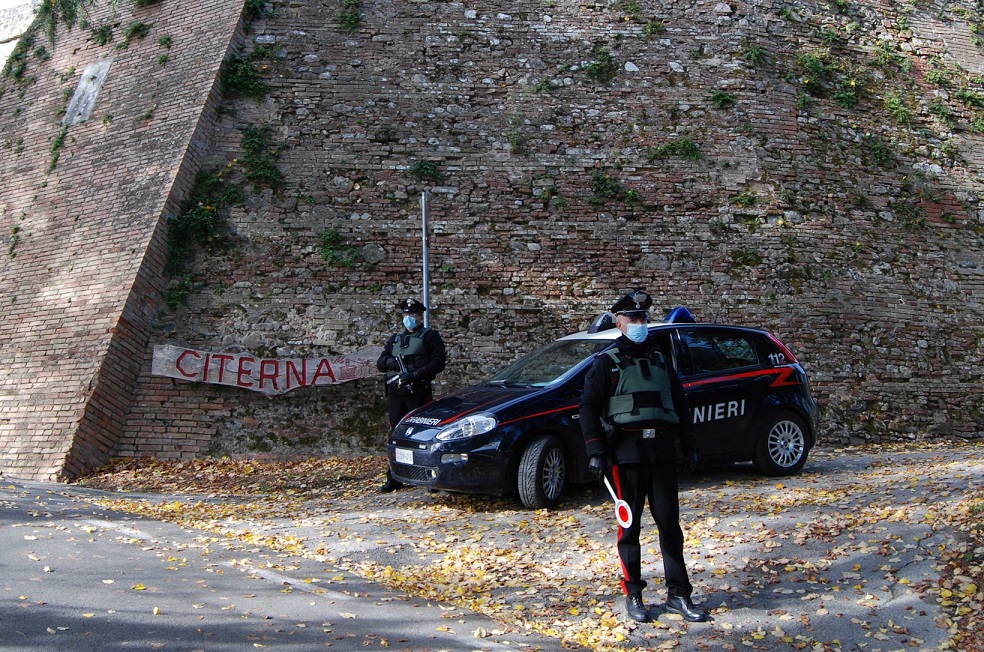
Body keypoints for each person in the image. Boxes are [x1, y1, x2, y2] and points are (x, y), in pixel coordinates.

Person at [578, 289, 709, 624]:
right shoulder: (605, 362)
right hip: (627, 454)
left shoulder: (661, 360)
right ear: (619, 323)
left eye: (642, 318)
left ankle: (679, 594)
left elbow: (679, 403)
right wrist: (595, 451)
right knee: (630, 528)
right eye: (632, 318)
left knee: (670, 527)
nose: (639, 323)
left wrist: (689, 443)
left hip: (662, 451)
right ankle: (633, 594)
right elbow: (589, 408)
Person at [376, 298, 447, 493]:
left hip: (417, 391)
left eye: (413, 315)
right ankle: (395, 475)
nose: (409, 318)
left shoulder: (430, 336)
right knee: (396, 434)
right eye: (406, 315)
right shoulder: (396, 338)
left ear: (421, 316)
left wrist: (415, 375)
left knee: (422, 435)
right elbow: (380, 363)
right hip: (396, 393)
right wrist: (389, 361)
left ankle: (427, 475)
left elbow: (438, 363)